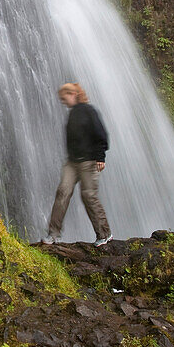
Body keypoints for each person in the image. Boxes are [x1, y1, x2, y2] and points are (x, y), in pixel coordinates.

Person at [44, 82, 112, 246]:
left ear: (73, 94)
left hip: (89, 161)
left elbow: (101, 134)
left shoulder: (89, 111)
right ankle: (53, 234)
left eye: (64, 98)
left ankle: (104, 234)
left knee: (88, 195)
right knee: (63, 192)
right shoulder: (73, 113)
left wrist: (100, 157)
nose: (63, 101)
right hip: (72, 162)